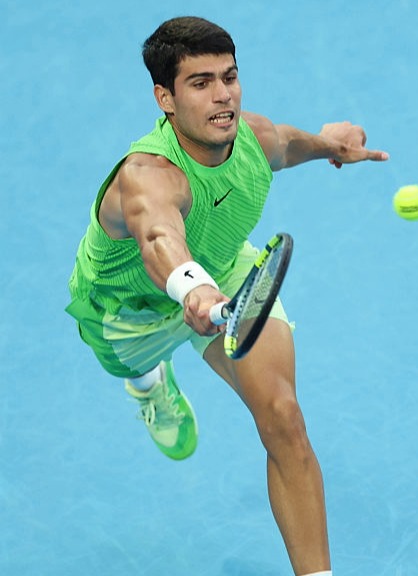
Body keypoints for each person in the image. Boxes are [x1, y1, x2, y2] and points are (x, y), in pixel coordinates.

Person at [64, 16, 387, 576]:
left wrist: (331, 144)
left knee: (284, 417)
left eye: (229, 77)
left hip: (228, 273)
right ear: (164, 97)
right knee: (136, 363)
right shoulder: (147, 175)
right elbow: (160, 237)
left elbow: (287, 144)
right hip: (130, 311)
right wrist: (195, 292)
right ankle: (147, 382)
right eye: (200, 83)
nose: (223, 97)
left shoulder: (251, 139)